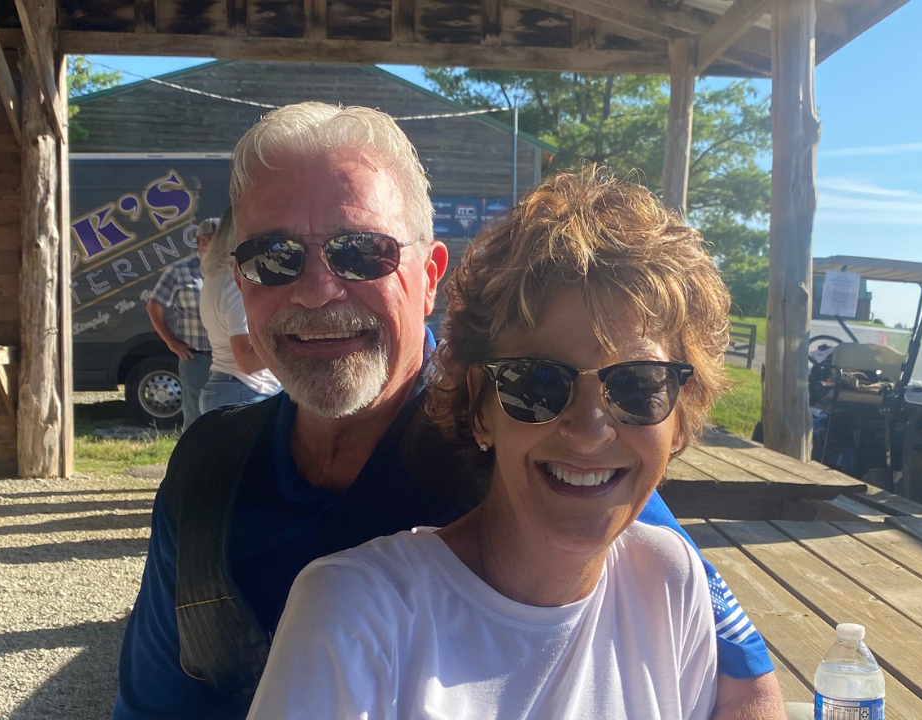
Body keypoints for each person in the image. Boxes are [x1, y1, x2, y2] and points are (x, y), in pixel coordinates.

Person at [112, 103, 784, 720]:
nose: (317, 291)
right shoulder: (209, 470)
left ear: (431, 275)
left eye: (360, 251)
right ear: (240, 287)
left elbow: (741, 683)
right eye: (274, 258)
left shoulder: (539, 444)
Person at [249, 167, 729, 719]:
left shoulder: (670, 580)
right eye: (539, 383)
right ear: (480, 406)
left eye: (639, 384)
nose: (590, 427)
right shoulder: (355, 615)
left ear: (680, 415)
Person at [197, 208, 281, 414]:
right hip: (245, 391)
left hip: (231, 387)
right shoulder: (235, 284)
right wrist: (291, 349)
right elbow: (246, 361)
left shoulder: (215, 277)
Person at [145, 219, 215, 429]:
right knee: (196, 417)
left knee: (229, 416)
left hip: (231, 357)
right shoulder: (179, 270)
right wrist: (171, 342)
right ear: (202, 241)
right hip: (197, 357)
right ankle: (193, 460)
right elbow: (154, 305)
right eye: (219, 241)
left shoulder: (231, 269)